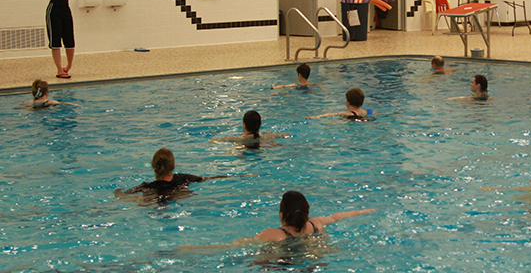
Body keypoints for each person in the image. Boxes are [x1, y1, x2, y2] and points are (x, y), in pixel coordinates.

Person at [177, 191, 376, 248]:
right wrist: (367, 210)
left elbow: (234, 245)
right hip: (314, 261)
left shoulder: (274, 234)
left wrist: (191, 249)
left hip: (286, 265)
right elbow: (339, 216)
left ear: (281, 215)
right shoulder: (316, 224)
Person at [6, 0, 79, 79]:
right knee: (55, 41)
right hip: (53, 11)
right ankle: (59, 69)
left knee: (70, 41)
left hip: (66, 11)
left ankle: (68, 67)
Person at [114, 148, 255, 198]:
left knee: (144, 200)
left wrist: (117, 191)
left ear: (154, 166)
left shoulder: (147, 186)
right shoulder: (184, 178)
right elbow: (211, 178)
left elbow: (122, 196)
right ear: (173, 166)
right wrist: (241, 176)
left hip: (155, 200)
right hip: (180, 193)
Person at [215, 110, 290, 146]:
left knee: (236, 147)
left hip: (245, 148)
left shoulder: (235, 138)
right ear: (259, 125)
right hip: (263, 147)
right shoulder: (267, 137)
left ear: (244, 125)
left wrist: (214, 139)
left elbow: (216, 143)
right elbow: (287, 135)